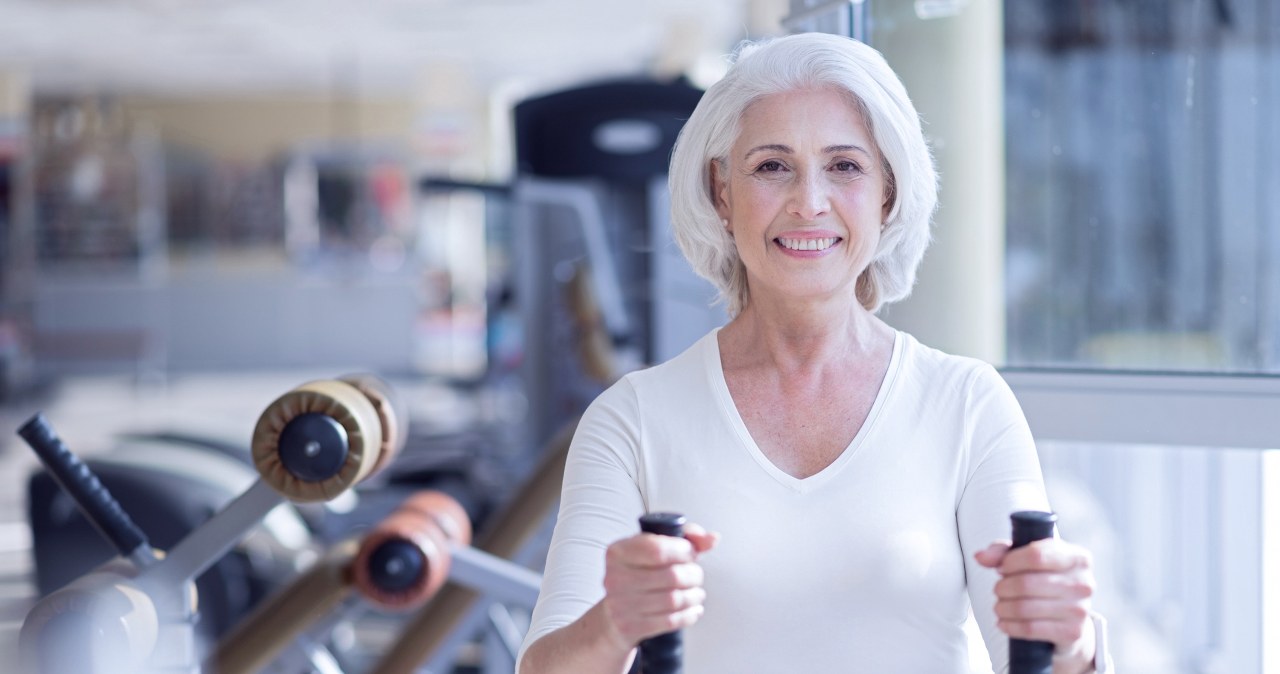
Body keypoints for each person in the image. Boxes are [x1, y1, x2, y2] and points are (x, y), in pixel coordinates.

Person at [517, 32, 1112, 673]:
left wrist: (1071, 641)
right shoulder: (631, 419)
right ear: (722, 192)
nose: (809, 201)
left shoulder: (967, 402)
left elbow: (1037, 656)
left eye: (845, 166)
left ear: (887, 193)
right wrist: (613, 624)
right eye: (772, 166)